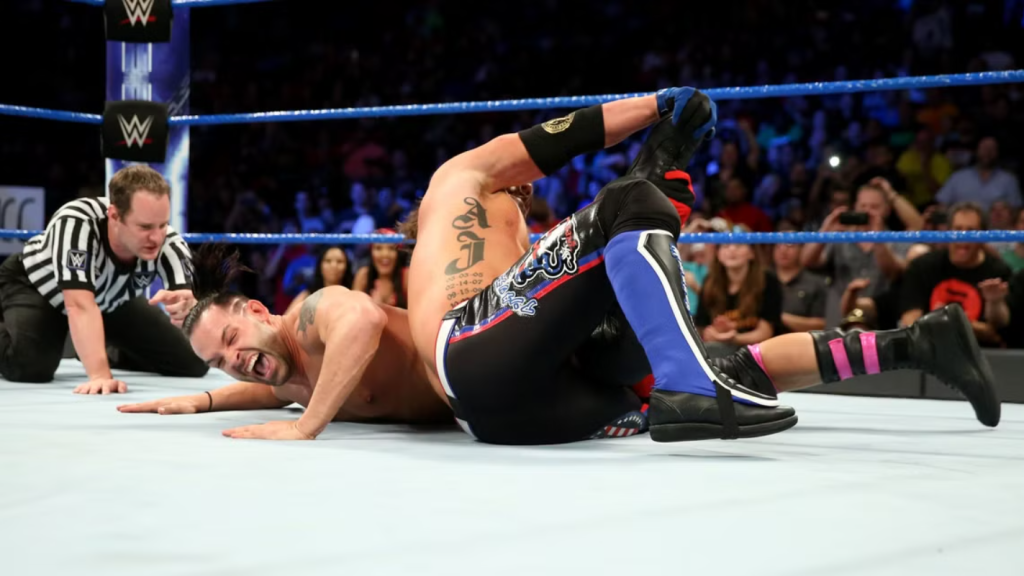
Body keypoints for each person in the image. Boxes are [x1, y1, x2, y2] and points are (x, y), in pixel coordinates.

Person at [131, 89, 1000, 442]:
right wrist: (653, 106)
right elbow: (557, 135)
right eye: (225, 357)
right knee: (626, 206)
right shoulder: (461, 184)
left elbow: (282, 376)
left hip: (520, 403)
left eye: (229, 347)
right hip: (471, 357)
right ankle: (670, 200)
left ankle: (913, 344)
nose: (236, 362)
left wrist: (204, 396)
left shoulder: (513, 246)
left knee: (691, 347)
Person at [0, 165, 207, 393]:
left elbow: (185, 297)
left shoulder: (170, 243)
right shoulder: (76, 222)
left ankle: (104, 349)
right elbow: (79, 304)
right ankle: (90, 350)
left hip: (110, 299)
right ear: (114, 216)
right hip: (38, 286)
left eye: (163, 225)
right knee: (30, 367)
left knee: (193, 360)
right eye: (145, 227)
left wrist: (187, 308)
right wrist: (99, 375)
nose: (156, 237)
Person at [802, 178, 924, 328]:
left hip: (882, 324)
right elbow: (807, 261)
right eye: (863, 206)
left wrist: (878, 239)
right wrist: (825, 231)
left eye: (874, 207)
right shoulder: (840, 237)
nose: (867, 211)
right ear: (855, 207)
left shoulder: (894, 239)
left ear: (887, 210)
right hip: (840, 322)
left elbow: (893, 271)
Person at [900, 202, 1012, 348]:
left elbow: (996, 332)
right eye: (957, 230)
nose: (962, 237)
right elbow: (910, 320)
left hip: (982, 352)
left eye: (971, 231)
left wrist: (994, 302)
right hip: (930, 349)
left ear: (983, 237)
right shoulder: (923, 266)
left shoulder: (998, 272)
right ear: (948, 232)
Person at [695, 224, 783, 347]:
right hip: (718, 349)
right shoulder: (710, 282)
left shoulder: (768, 280)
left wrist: (733, 338)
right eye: (726, 245)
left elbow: (766, 332)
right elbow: (702, 328)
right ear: (718, 254)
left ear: (752, 252)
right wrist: (716, 333)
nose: (732, 250)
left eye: (739, 245)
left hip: (758, 350)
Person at [935, 137, 1022, 212]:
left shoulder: (1009, 180)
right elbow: (942, 205)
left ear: (998, 152)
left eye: (992, 149)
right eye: (984, 148)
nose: (987, 152)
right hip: (963, 225)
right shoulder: (958, 177)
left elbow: (1017, 210)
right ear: (976, 150)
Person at [284, 245, 353, 315]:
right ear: (320, 265)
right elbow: (286, 318)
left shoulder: (353, 296)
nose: (334, 265)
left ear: (347, 266)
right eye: (328, 261)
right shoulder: (307, 295)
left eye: (340, 261)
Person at [352, 230, 408, 308]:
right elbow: (353, 311)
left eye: (391, 248)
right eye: (378, 248)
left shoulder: (406, 276)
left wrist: (380, 307)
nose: (385, 254)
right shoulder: (363, 275)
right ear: (371, 252)